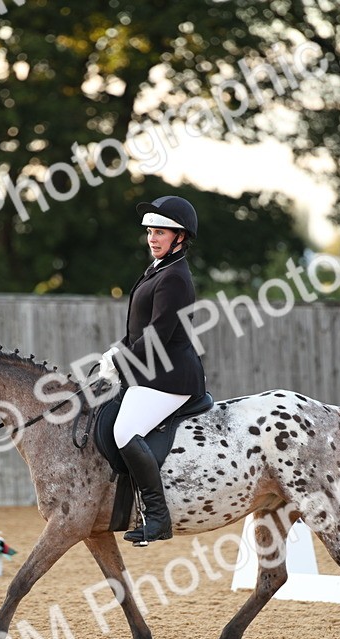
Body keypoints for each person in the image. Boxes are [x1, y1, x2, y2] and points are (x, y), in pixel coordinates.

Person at [99, 195, 206, 545]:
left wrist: (121, 360)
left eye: (160, 232)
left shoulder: (174, 276)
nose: (152, 238)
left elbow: (159, 335)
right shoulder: (158, 270)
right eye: (150, 231)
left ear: (180, 238)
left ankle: (158, 519)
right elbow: (138, 330)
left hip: (171, 377)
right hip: (149, 372)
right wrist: (116, 351)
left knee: (125, 431)